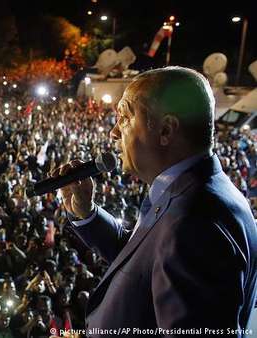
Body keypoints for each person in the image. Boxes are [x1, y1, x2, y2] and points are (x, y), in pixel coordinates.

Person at [55, 66, 257, 335]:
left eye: (125, 117)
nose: (114, 132)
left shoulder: (194, 223)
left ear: (165, 130)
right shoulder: (188, 194)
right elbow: (144, 259)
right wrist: (88, 214)